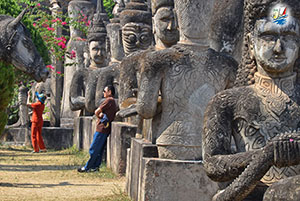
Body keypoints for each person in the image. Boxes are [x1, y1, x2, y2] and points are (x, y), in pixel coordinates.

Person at [202, 1, 300, 200]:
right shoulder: (226, 101)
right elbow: (213, 165)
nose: (279, 48)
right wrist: (268, 155)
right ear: (251, 42)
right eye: (268, 37)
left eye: (288, 37)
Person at [78, 85, 118, 172]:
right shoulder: (113, 101)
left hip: (101, 128)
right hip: (105, 128)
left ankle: (87, 167)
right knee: (99, 149)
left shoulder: (108, 100)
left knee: (94, 148)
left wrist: (99, 116)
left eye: (105, 91)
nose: (103, 93)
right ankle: (95, 166)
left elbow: (97, 111)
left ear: (110, 92)